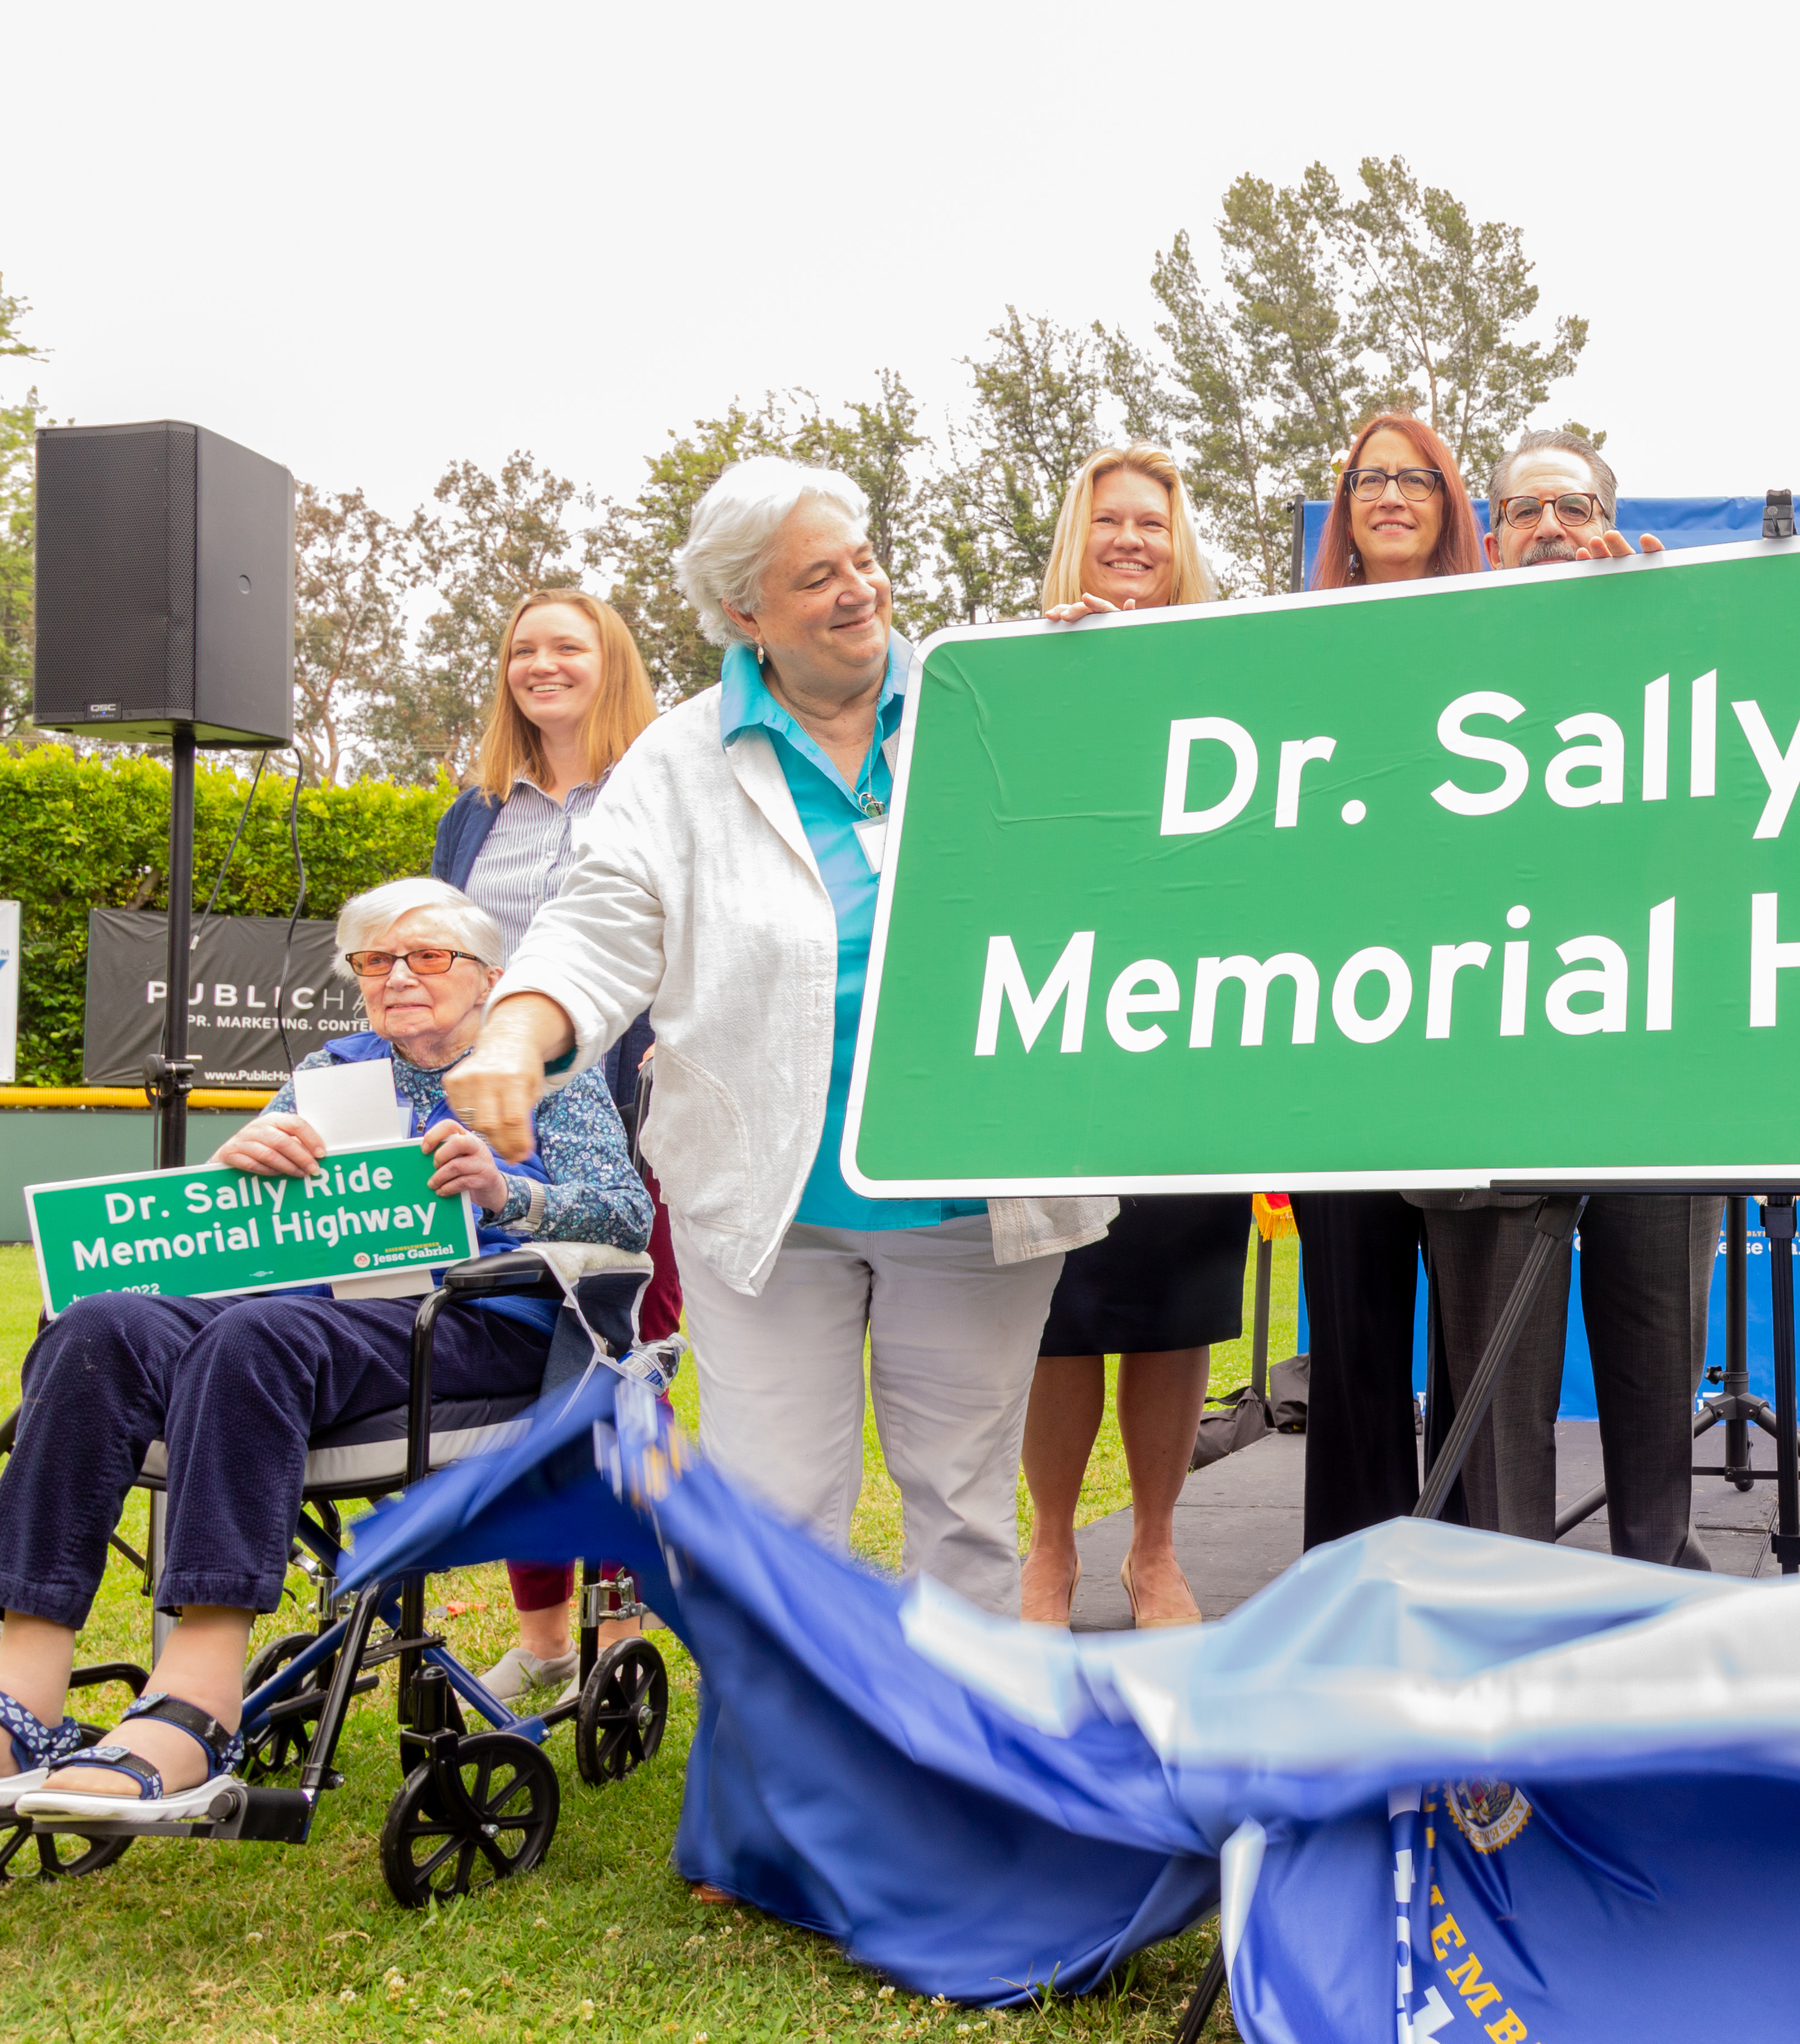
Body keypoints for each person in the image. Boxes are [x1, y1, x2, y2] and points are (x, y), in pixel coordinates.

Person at [446, 457, 1112, 1618]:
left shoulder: (993, 696)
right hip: (764, 1201)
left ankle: (964, 1762)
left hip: (964, 1187)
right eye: (818, 579)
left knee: (959, 1499)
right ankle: (800, 1768)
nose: (860, 590)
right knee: (778, 1508)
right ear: (746, 615)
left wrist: (1114, 680)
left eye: (863, 561)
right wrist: (515, 1033)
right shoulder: (680, 757)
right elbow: (599, 925)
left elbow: (1135, 820)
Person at [0, 879, 647, 1823]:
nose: (399, 978)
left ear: (489, 979)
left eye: (429, 957)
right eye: (376, 962)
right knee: (99, 1327)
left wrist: (508, 1192)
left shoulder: (547, 1076)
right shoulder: (330, 1068)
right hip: (315, 1316)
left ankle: (198, 1700)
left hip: (470, 1323)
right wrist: (242, 1163)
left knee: (253, 1336)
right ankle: (23, 1693)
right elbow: (248, 1228)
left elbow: (627, 1214)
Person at [1408, 429, 1716, 1565]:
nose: (1549, 527)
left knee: (1657, 1354)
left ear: (1607, 525)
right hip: (1487, 1077)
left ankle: (1654, 1600)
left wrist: (1667, 633)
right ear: (1491, 536)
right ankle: (1507, 1620)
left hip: (1655, 1077)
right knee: (1498, 1397)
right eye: (1524, 509)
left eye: (1573, 507)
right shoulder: (1433, 663)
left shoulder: (1679, 653)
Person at [429, 587, 670, 1701]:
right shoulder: (477, 814)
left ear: (608, 661)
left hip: (643, 1120)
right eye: (522, 647)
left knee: (620, 1366)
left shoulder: (663, 785)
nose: (541, 664)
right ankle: (543, 1638)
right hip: (504, 1124)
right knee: (519, 1357)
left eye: (565, 646)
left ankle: (623, 1622)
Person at [1017, 445, 1244, 1629]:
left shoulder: (1228, 664)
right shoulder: (1022, 659)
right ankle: (1050, 1552)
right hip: (1061, 1038)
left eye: (1152, 522)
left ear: (1178, 537)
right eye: (1110, 520)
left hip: (1192, 1039)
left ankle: (1152, 1551)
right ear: (1080, 532)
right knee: (1062, 1319)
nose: (1132, 539)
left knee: (1174, 1311)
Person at [1295, 412, 1486, 1550]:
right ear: (1347, 508)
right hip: (1339, 1045)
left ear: (1450, 501)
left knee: (1475, 1335)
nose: (1394, 494)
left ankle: (1464, 1563)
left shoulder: (1507, 636)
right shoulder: (1295, 648)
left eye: (1418, 477)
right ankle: (1352, 1573)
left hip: (1474, 1036)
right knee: (1355, 1330)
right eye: (1371, 480)